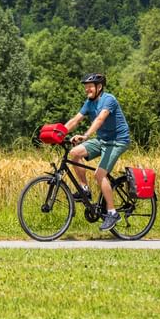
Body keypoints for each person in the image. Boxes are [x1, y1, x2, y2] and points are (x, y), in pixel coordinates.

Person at [63, 73, 131, 231]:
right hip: (102, 140)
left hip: (117, 141)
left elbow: (100, 120)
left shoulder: (109, 100)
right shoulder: (89, 103)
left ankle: (112, 213)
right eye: (86, 87)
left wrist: (85, 136)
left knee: (99, 174)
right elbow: (75, 120)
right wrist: (58, 133)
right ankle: (84, 189)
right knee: (75, 153)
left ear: (99, 87)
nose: (87, 89)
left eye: (90, 86)